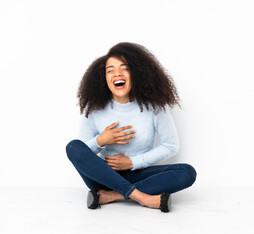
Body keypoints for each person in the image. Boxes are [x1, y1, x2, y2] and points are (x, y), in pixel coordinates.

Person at [65, 42, 197, 212]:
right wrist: (101, 141)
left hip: (141, 173)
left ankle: (111, 196)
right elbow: (81, 154)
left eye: (124, 68)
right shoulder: (95, 108)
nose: (117, 74)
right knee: (72, 146)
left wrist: (132, 163)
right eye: (110, 70)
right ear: (103, 78)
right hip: (104, 177)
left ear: (137, 73)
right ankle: (142, 198)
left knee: (187, 172)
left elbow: (170, 146)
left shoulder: (155, 107)